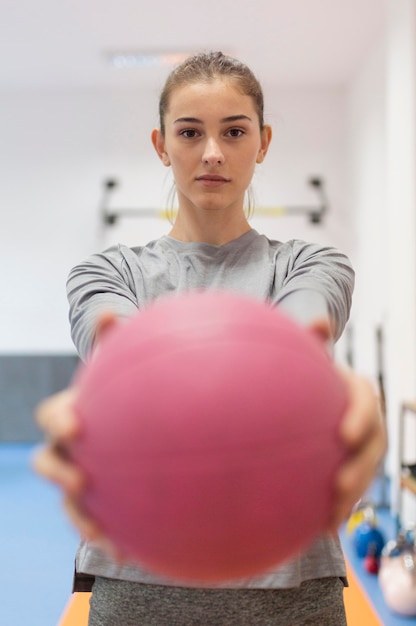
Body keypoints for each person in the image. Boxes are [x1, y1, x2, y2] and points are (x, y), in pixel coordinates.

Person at [34, 51, 386, 625]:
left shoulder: (313, 264)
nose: (213, 152)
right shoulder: (106, 273)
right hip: (138, 586)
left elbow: (300, 339)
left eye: (235, 131)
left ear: (263, 142)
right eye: (190, 132)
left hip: (292, 590)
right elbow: (118, 357)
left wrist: (342, 392)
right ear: (161, 144)